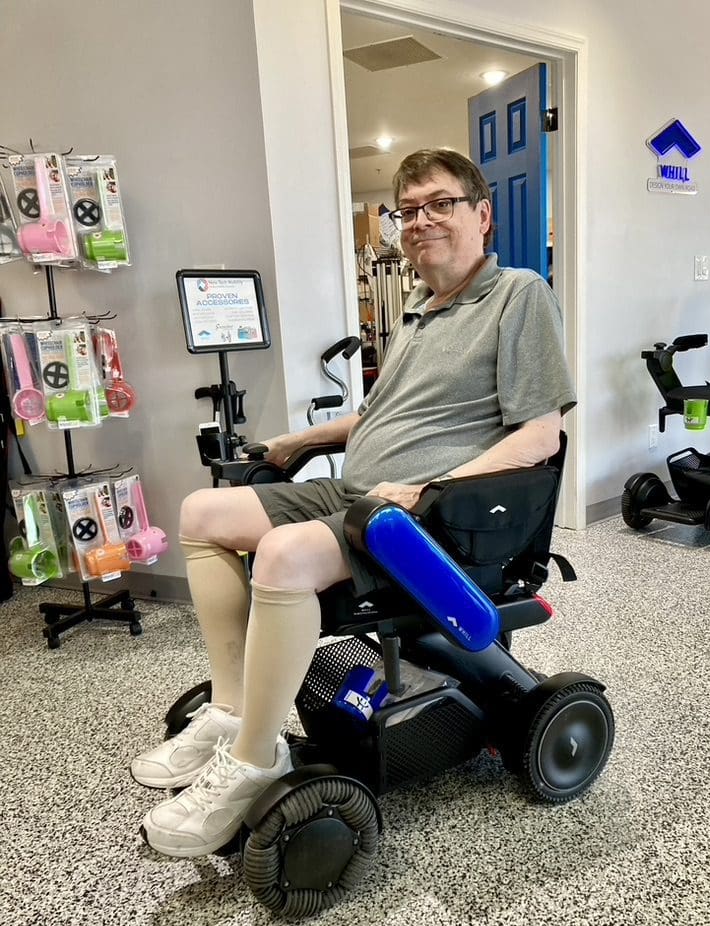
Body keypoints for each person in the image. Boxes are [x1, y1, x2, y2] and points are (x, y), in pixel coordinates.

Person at [133, 148, 576, 859]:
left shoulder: (517, 295)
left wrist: (430, 489)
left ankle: (256, 760)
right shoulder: (418, 315)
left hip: (421, 521)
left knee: (281, 553)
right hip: (358, 492)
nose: (420, 220)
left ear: (482, 215)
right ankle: (232, 709)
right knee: (201, 515)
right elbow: (376, 416)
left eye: (439, 203)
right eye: (407, 211)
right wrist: (296, 440)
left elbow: (540, 434)